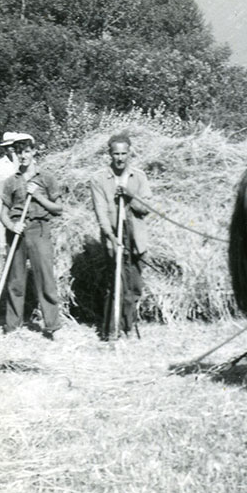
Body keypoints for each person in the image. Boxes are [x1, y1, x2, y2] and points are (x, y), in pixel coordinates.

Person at [0, 133, 65, 339]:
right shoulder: (11, 182)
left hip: (39, 230)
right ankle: (12, 327)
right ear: (15, 154)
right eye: (19, 152)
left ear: (34, 152)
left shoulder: (46, 179)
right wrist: (12, 225)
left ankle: (52, 326)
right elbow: (3, 213)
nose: (23, 156)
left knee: (45, 279)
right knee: (16, 282)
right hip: (17, 233)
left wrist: (37, 196)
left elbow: (58, 208)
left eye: (26, 151)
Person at [89, 133, 153, 340]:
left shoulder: (139, 177)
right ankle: (112, 329)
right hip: (113, 235)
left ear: (129, 153)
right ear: (109, 154)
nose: (120, 158)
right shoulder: (99, 179)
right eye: (116, 153)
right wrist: (110, 237)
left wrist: (129, 196)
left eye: (124, 153)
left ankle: (129, 326)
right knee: (115, 282)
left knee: (133, 284)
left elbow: (145, 209)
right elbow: (100, 212)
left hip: (136, 236)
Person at [0, 132, 19, 244]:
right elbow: (3, 183)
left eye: (13, 145)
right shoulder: (0, 164)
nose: (11, 148)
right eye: (8, 146)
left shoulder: (27, 160)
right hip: (9, 197)